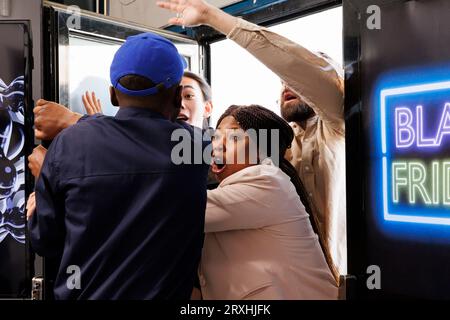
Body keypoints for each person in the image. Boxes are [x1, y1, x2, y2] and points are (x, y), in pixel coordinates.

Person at [157, 0, 346, 281]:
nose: (286, 86)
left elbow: (304, 70)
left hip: (337, 280)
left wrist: (213, 17)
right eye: (282, 83)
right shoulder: (270, 146)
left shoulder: (336, 129)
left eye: (295, 81)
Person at [27, 32, 209, 299]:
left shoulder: (69, 144)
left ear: (112, 94)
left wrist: (39, 198)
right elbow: (262, 142)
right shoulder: (196, 147)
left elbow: (45, 240)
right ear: (177, 96)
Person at [200, 104, 337, 299]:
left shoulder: (266, 180)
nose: (217, 146)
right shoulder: (235, 189)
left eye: (233, 137)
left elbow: (183, 210)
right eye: (215, 136)